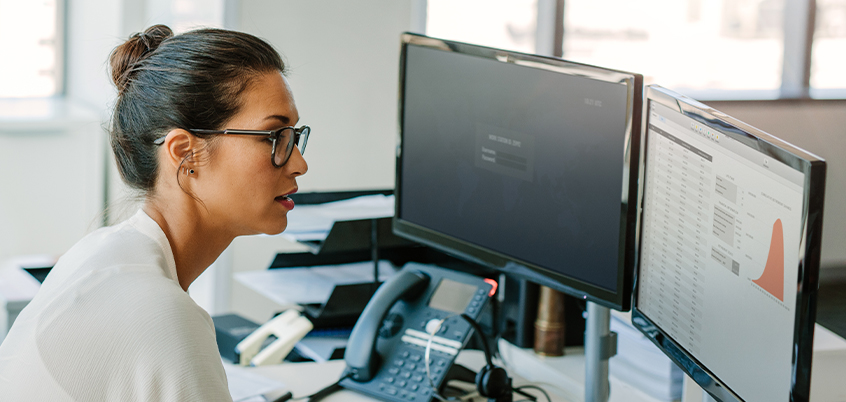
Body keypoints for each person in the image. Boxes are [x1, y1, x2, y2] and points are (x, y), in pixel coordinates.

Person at [0, 24, 307, 401]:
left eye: (295, 136)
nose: (299, 164)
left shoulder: (106, 253)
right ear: (184, 153)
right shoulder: (158, 314)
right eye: (275, 138)